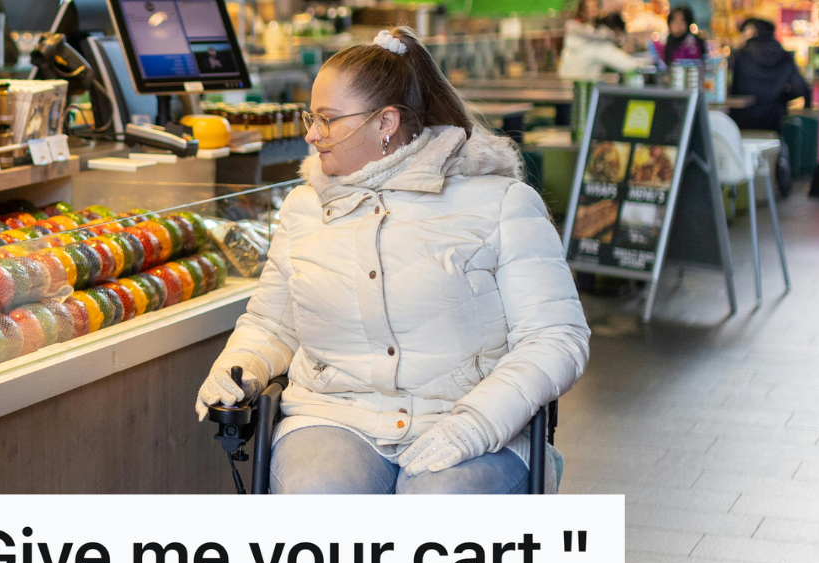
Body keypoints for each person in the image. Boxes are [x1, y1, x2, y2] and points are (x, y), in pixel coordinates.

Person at [194, 27, 590, 495]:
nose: (311, 135)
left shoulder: (501, 203)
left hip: (469, 421)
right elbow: (272, 325)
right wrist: (240, 365)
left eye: (327, 120)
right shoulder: (303, 209)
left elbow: (555, 336)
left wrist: (478, 423)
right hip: (332, 416)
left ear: (385, 123)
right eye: (311, 117)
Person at [730, 18, 811, 196]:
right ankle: (780, 180)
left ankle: (739, 193)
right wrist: (780, 98)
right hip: (772, 118)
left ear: (753, 32)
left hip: (743, 118)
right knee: (777, 144)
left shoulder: (741, 55)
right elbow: (800, 88)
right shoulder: (782, 55)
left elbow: (732, 90)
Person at [559, 0, 647, 79]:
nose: (594, 12)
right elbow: (628, 65)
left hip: (566, 84)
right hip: (584, 87)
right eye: (591, 9)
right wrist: (646, 63)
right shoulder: (597, 43)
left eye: (595, 8)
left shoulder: (572, 35)